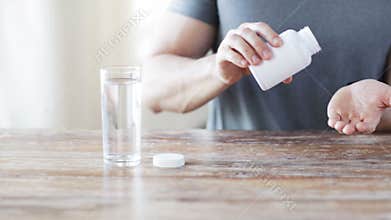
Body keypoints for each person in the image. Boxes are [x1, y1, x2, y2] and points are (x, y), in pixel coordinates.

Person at [143, 0, 391, 131]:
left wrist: (376, 112)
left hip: (362, 178)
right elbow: (151, 88)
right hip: (241, 177)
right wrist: (218, 71)